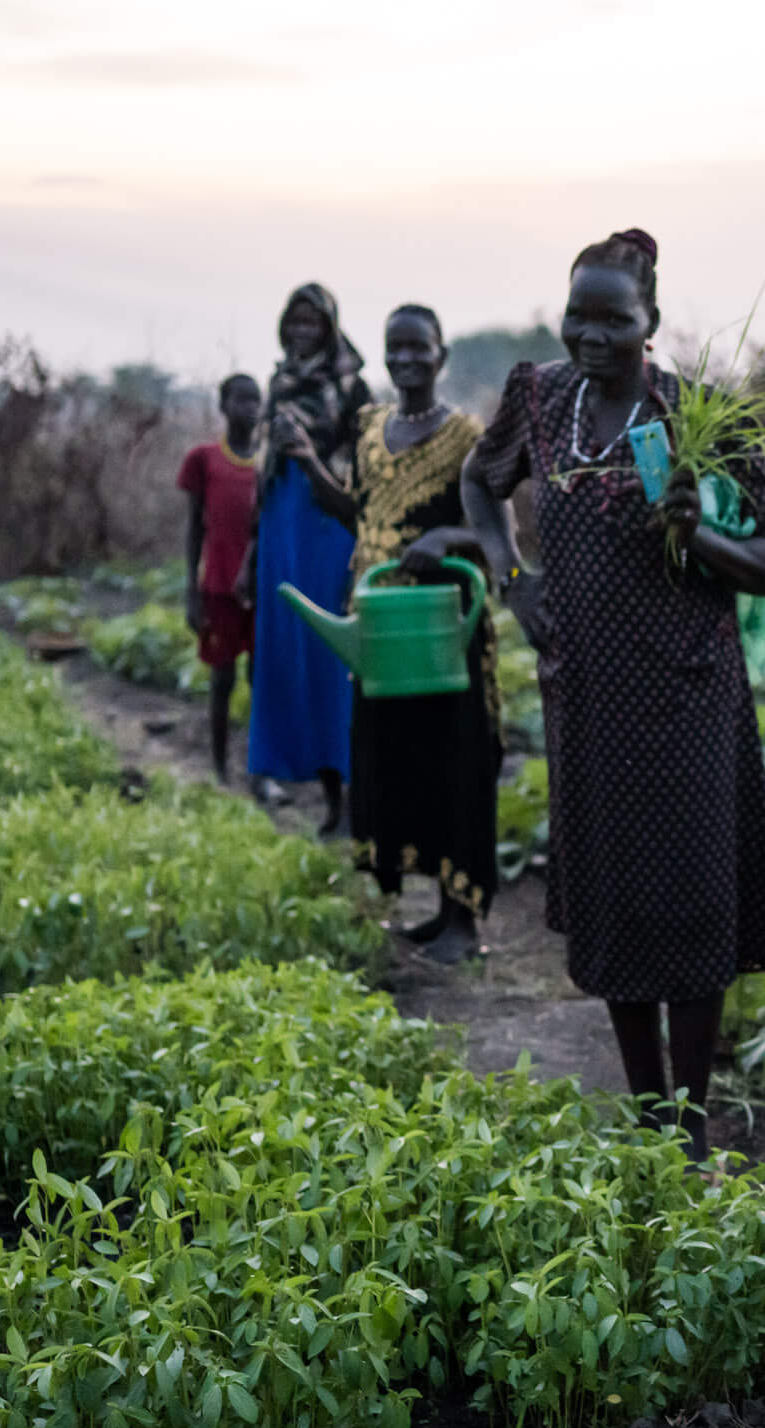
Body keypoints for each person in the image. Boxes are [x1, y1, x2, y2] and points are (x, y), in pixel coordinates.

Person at [461, 228, 765, 1159]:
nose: (593, 333)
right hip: (587, 696)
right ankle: (647, 1113)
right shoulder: (540, 398)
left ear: (654, 323)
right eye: (580, 313)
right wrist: (509, 576)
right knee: (613, 901)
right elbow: (478, 483)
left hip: (689, 698)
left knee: (690, 905)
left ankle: (688, 1125)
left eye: (616, 317)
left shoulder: (702, 418)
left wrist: (700, 537)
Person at [282, 304, 495, 964]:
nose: (405, 360)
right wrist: (311, 464)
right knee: (388, 758)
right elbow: (358, 513)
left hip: (440, 626)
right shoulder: (372, 428)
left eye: (418, 348)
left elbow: (493, 531)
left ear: (442, 354)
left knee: (454, 760)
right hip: (378, 622)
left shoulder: (467, 435)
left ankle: (461, 920)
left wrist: (447, 536)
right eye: (393, 349)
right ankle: (406, 908)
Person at [242, 283, 369, 833]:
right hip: (279, 520)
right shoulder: (278, 380)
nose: (301, 332)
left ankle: (344, 800)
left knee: (330, 651)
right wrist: (253, 546)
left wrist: (313, 457)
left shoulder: (351, 384)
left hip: (326, 519)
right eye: (293, 321)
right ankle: (285, 771)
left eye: (311, 323)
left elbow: (364, 464)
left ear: (330, 327)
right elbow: (264, 462)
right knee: (283, 645)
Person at [178, 374, 264, 783]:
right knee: (222, 678)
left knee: (260, 678)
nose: (249, 408)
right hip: (217, 586)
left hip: (263, 589)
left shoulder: (271, 463)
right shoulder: (204, 459)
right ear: (224, 406)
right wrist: (191, 591)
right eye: (240, 400)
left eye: (255, 401)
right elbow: (195, 527)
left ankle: (261, 767)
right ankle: (219, 767)